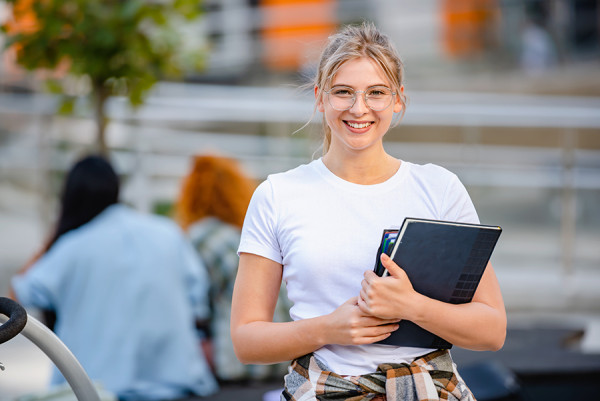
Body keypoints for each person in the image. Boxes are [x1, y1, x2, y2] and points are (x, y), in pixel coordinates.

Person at [231, 22, 506, 400]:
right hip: (324, 389)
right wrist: (327, 328)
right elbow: (246, 340)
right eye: (343, 92)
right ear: (320, 98)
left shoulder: (440, 189)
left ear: (398, 100)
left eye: (376, 93)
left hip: (430, 390)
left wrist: (412, 306)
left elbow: (491, 330)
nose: (359, 108)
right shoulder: (278, 194)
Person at [11, 154, 218, 401]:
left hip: (94, 390)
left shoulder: (72, 247)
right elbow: (199, 300)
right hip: (179, 386)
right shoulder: (169, 234)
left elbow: (16, 300)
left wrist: (56, 233)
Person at [174, 154, 291, 382]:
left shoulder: (201, 238)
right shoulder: (248, 238)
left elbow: (196, 309)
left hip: (236, 363)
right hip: (281, 356)